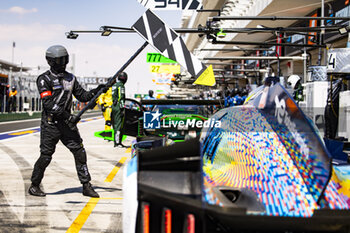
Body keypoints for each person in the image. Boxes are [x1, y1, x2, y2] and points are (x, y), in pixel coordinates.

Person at [28, 45, 105, 197]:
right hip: (50, 124)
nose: (63, 63)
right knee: (46, 156)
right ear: (51, 61)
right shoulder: (44, 79)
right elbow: (48, 104)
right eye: (59, 60)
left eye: (65, 59)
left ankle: (86, 185)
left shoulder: (71, 78)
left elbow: (83, 96)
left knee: (79, 151)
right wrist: (68, 116)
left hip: (67, 124)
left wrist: (98, 90)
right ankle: (34, 185)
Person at [112, 72, 127, 147]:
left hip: (113, 106)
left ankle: (117, 142)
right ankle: (117, 143)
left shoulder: (114, 85)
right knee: (118, 125)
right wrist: (122, 108)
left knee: (115, 125)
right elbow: (121, 97)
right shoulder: (121, 86)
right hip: (118, 106)